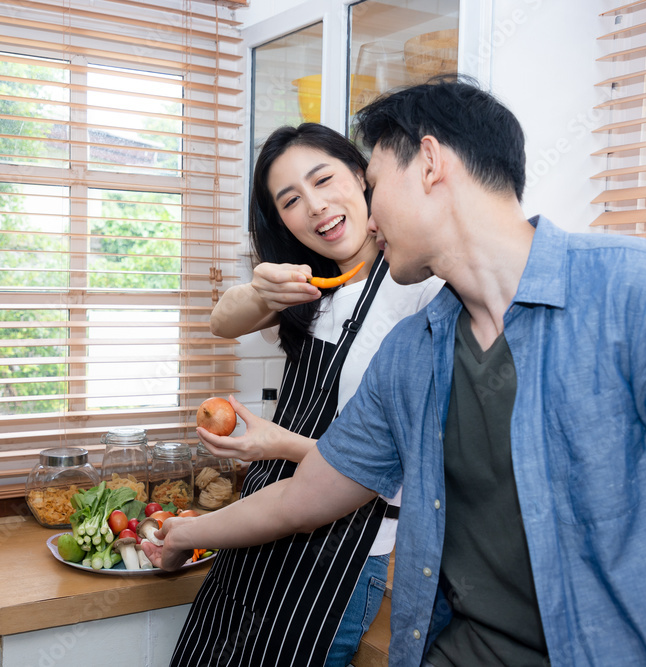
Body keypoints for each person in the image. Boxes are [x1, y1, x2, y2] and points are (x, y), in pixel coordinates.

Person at [146, 77, 646, 666]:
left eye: (373, 185)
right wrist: (186, 532)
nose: (367, 214)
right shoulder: (412, 353)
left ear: (430, 163)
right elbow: (299, 498)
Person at [169, 123, 443, 667]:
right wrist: (260, 290)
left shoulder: (422, 291)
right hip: (256, 532)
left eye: (323, 180)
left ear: (363, 176)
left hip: (339, 556)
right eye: (290, 200)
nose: (315, 206)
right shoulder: (309, 287)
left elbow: (396, 470)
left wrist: (277, 444)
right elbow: (222, 322)